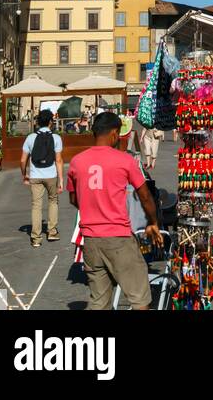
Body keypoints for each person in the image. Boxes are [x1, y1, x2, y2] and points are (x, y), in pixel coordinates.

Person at [66, 110, 161, 310]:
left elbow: (74, 199)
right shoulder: (124, 160)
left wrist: (93, 207)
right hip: (118, 237)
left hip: (91, 241)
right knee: (139, 298)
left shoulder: (77, 162)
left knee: (99, 301)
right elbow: (145, 195)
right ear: (114, 133)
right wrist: (153, 222)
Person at [21, 110, 64, 248]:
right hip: (51, 175)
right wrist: (61, 180)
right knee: (53, 201)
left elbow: (23, 160)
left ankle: (36, 238)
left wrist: (24, 174)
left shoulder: (30, 138)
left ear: (37, 122)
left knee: (36, 206)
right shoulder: (56, 138)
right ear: (51, 122)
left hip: (35, 176)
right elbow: (58, 160)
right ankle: (51, 232)